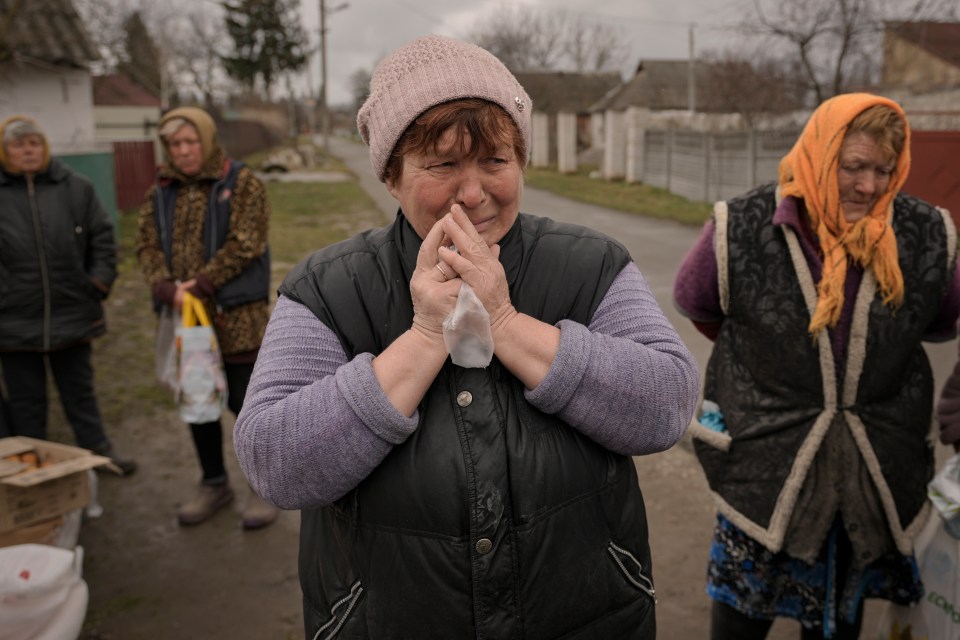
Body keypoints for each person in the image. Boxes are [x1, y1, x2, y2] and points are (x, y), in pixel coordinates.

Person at [234, 35, 699, 639]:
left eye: (495, 161)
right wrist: (427, 332)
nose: (474, 193)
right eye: (442, 164)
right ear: (391, 176)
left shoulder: (591, 267)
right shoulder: (328, 290)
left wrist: (504, 323)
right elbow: (275, 462)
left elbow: (667, 405)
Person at [673, 93, 960, 639]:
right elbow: (698, 303)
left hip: (870, 468)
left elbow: (939, 323)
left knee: (839, 616)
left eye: (884, 169)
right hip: (768, 464)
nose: (869, 186)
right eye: (853, 167)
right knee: (740, 614)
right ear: (819, 156)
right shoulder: (742, 226)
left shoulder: (924, 235)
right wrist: (773, 359)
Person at [135, 106, 278, 530]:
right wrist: (163, 286)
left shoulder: (241, 182)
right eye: (175, 145)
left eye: (190, 142)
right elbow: (145, 244)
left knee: (244, 402)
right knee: (198, 402)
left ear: (207, 140)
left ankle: (263, 485)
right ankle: (214, 483)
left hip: (236, 317)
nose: (183, 151)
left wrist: (200, 284)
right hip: (188, 320)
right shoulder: (160, 191)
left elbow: (247, 241)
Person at [0, 115, 136, 475]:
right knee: (27, 402)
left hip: (72, 310)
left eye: (33, 143)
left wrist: (97, 284)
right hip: (14, 321)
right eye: (18, 144)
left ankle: (99, 454)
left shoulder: (76, 187)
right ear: (5, 150)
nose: (27, 151)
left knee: (80, 394)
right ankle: (28, 467)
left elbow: (103, 239)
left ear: (44, 147)